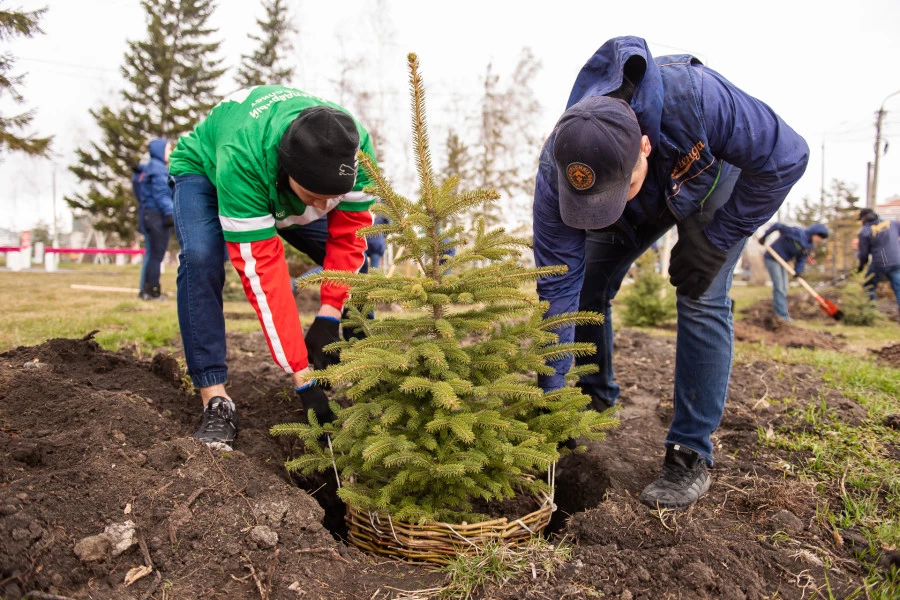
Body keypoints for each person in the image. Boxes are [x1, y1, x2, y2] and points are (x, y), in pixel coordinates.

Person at [532, 36, 809, 510]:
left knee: (701, 293)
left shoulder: (701, 99)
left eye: (620, 190)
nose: (603, 212)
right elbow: (559, 284)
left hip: (710, 178)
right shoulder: (557, 170)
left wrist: (719, 238)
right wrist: (551, 397)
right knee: (588, 287)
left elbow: (788, 156)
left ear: (644, 145)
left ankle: (689, 453)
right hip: (646, 190)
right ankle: (591, 402)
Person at [167, 86, 376, 450]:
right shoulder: (242, 159)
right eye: (316, 198)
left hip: (281, 186)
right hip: (209, 172)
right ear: (288, 170)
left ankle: (370, 371)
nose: (325, 207)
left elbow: (350, 239)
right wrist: (302, 378)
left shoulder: (353, 147)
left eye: (334, 198)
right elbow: (267, 280)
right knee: (201, 258)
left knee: (356, 264)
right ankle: (214, 396)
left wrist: (329, 315)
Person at [758, 222, 829, 321]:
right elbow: (778, 226)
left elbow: (801, 259)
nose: (819, 239)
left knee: (784, 288)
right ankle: (781, 315)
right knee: (779, 287)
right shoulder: (797, 232)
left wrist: (798, 271)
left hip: (783, 262)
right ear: (814, 232)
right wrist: (765, 236)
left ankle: (778, 312)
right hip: (772, 258)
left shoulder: (809, 245)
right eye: (819, 236)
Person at [138, 138, 175, 300]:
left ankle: (146, 290)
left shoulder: (150, 167)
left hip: (148, 214)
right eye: (168, 149)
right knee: (157, 255)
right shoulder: (159, 169)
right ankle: (152, 291)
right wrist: (170, 213)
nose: (170, 153)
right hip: (157, 215)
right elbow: (161, 194)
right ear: (160, 151)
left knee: (152, 254)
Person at [856, 208, 900, 319]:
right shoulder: (892, 223)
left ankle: (872, 314)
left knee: (868, 285)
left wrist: (861, 266)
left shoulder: (865, 231)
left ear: (863, 218)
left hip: (880, 262)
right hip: (897, 260)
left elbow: (863, 253)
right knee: (898, 287)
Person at [131, 161, 148, 296]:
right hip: (151, 214)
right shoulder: (151, 172)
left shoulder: (137, 178)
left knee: (150, 253)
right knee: (153, 254)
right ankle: (147, 288)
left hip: (144, 214)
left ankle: (144, 287)